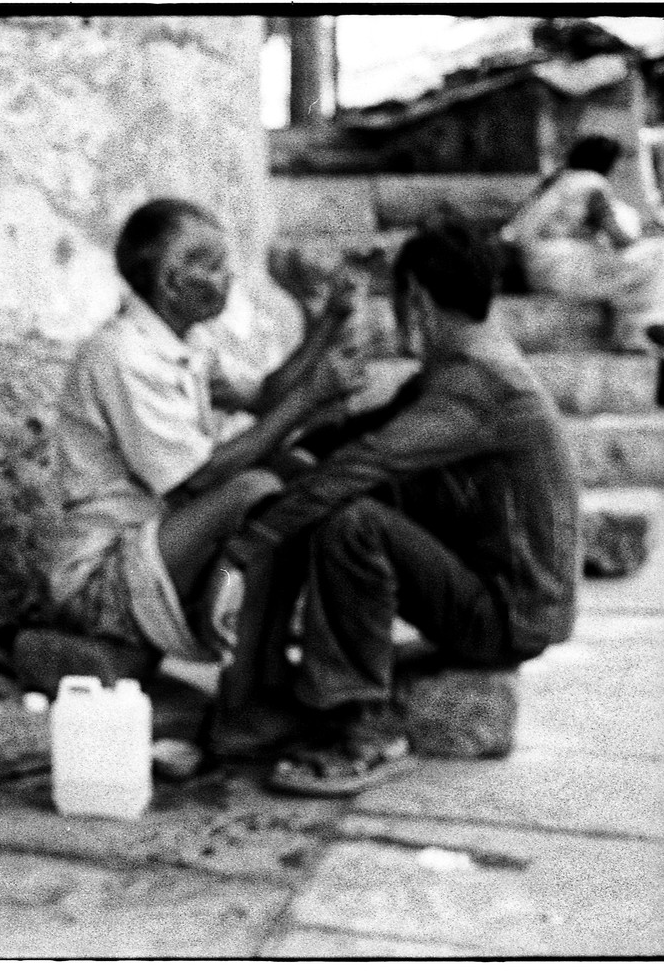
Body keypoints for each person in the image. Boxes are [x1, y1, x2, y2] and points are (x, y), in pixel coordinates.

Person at [214, 223, 580, 797]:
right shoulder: (457, 369)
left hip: (508, 615)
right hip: (494, 589)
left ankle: (366, 730)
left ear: (416, 303)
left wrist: (245, 546)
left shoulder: (479, 384)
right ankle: (280, 681)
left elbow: (363, 462)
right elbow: (353, 438)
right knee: (327, 488)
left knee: (351, 521)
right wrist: (309, 411)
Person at [37, 198, 364, 692]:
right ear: (171, 282)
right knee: (254, 487)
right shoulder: (124, 357)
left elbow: (265, 395)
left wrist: (328, 323)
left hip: (158, 541)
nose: (228, 276)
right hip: (102, 576)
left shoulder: (185, 342)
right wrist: (310, 397)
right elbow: (204, 477)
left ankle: (266, 652)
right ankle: (246, 665)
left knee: (292, 468)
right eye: (212, 266)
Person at [500, 134, 664, 354]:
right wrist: (652, 234)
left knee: (629, 265)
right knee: (660, 251)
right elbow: (620, 239)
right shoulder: (592, 184)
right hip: (562, 271)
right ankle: (643, 326)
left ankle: (638, 328)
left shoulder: (558, 180)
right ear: (608, 162)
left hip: (537, 269)